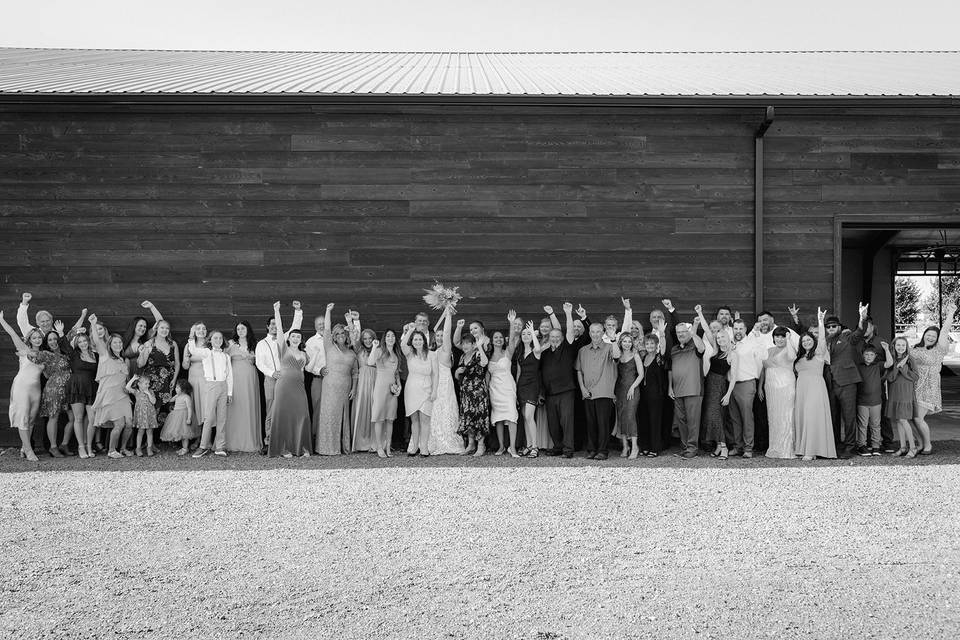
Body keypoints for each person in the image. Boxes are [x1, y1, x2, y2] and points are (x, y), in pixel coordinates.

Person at [911, 302, 957, 455]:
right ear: (924, 335)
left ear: (937, 339)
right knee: (912, 418)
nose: (930, 337)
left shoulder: (939, 350)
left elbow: (944, 332)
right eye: (928, 334)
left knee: (918, 417)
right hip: (915, 386)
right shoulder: (915, 349)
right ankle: (921, 444)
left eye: (933, 336)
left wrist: (950, 313)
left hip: (929, 387)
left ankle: (928, 445)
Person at [267, 302, 312, 458]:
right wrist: (276, 311)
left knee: (301, 414)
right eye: (293, 335)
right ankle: (283, 448)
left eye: (298, 336)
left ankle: (302, 447)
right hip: (284, 386)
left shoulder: (304, 354)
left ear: (301, 339)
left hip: (299, 387)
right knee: (283, 415)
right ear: (289, 338)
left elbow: (303, 371)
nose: (295, 338)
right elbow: (279, 330)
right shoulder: (283, 348)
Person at [824, 302, 869, 459]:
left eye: (833, 326)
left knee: (849, 417)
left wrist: (862, 317)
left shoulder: (847, 337)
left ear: (839, 327)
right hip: (830, 383)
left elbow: (859, 332)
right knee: (833, 416)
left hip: (847, 382)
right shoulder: (824, 341)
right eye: (828, 327)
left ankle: (850, 447)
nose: (831, 329)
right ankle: (835, 446)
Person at [255, 302, 303, 451]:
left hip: (287, 380)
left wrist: (297, 310)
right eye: (272, 324)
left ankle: (285, 440)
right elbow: (259, 363)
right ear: (268, 326)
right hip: (270, 379)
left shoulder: (286, 338)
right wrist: (271, 373)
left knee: (285, 409)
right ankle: (269, 440)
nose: (275, 327)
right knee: (271, 410)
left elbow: (296, 326)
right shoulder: (261, 343)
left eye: (277, 324)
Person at [87, 314, 134, 460]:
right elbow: (96, 339)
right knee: (119, 424)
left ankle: (123, 448)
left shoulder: (122, 360)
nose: (118, 345)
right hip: (110, 395)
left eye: (120, 343)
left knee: (129, 424)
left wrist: (129, 387)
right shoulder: (104, 354)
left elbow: (125, 379)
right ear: (110, 344)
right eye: (115, 343)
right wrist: (93, 324)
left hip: (123, 395)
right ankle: (112, 450)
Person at [314, 303, 359, 455]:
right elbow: (326, 329)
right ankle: (326, 447)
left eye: (342, 334)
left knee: (342, 416)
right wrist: (328, 311)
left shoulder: (352, 353)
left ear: (346, 336)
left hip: (345, 387)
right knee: (329, 414)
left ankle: (342, 446)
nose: (340, 336)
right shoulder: (329, 347)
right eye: (337, 334)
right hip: (330, 386)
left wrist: (354, 388)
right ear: (334, 336)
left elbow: (355, 373)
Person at [0, 310, 44, 461]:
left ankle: (25, 448)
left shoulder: (44, 355)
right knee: (23, 417)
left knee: (31, 419)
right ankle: (29, 450)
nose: (37, 340)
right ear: (29, 339)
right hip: (22, 387)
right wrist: (1, 320)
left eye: (39, 337)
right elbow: (12, 333)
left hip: (36, 389)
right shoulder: (24, 350)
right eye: (34, 338)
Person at [794, 308, 836, 460]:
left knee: (813, 416)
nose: (806, 342)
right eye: (804, 340)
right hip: (802, 389)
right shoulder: (798, 357)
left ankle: (811, 451)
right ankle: (804, 448)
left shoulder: (819, 353)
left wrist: (820, 321)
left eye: (809, 340)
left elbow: (823, 340)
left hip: (815, 388)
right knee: (804, 417)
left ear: (814, 341)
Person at [695, 305, 736, 460]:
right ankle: (718, 445)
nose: (719, 339)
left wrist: (727, 395)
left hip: (720, 386)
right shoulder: (715, 350)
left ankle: (724, 447)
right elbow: (706, 330)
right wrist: (699, 312)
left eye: (722, 337)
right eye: (718, 338)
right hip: (709, 384)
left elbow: (733, 377)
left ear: (727, 338)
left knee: (718, 416)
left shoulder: (732, 355)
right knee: (710, 416)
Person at [576, 321, 621, 460]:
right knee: (591, 423)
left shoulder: (609, 347)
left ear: (603, 333)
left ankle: (602, 450)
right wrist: (582, 388)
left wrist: (613, 339)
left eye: (598, 331)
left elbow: (617, 356)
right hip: (588, 392)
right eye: (593, 332)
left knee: (603, 423)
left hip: (604, 391)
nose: (595, 334)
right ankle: (591, 449)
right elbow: (579, 371)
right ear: (589, 333)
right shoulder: (583, 350)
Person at [539, 302, 578, 458]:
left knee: (566, 422)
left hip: (566, 390)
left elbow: (569, 330)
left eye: (557, 337)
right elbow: (540, 372)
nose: (554, 339)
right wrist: (541, 392)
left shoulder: (566, 348)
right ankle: (557, 446)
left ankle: (568, 449)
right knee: (553, 422)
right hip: (549, 392)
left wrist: (568, 313)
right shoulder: (545, 352)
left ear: (562, 338)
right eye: (552, 337)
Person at [28, 330, 74, 458]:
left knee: (73, 418)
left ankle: (64, 444)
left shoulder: (65, 352)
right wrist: (25, 351)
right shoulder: (45, 354)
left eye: (55, 339)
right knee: (54, 417)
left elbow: (71, 333)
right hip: (54, 389)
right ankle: (53, 447)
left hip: (67, 389)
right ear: (46, 343)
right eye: (50, 340)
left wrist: (83, 316)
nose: (53, 341)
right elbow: (31, 355)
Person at [426, 309, 465, 456]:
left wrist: (448, 315)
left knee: (446, 409)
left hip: (445, 384)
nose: (441, 337)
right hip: (433, 384)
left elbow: (448, 332)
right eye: (438, 335)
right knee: (434, 411)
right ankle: (433, 440)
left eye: (443, 335)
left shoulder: (445, 350)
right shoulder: (432, 351)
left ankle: (448, 440)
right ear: (434, 337)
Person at [191, 330, 234, 458]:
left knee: (222, 417)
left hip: (223, 386)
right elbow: (193, 351)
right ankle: (203, 446)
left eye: (220, 338)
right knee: (208, 417)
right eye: (215, 338)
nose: (218, 340)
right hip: (211, 386)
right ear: (210, 340)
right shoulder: (206, 353)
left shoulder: (226, 356)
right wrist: (190, 338)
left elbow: (229, 375)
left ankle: (220, 446)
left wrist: (230, 393)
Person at [668, 316, 706, 459]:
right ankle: (684, 447)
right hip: (678, 391)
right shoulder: (674, 349)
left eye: (684, 332)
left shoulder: (695, 346)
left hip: (694, 390)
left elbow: (702, 347)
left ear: (688, 332)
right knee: (681, 420)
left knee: (693, 421)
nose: (681, 335)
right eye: (678, 333)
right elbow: (671, 369)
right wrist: (670, 387)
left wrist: (694, 331)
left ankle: (692, 448)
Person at [758, 327, 797, 459]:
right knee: (774, 417)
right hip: (771, 387)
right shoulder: (769, 350)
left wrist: (790, 340)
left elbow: (792, 358)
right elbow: (763, 370)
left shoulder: (790, 349)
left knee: (786, 416)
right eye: (777, 336)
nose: (780, 339)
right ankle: (775, 448)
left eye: (782, 336)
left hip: (786, 386)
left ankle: (788, 449)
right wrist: (760, 386)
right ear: (773, 337)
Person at [224, 321, 262, 453]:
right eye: (238, 329)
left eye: (243, 328)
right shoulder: (230, 343)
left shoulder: (254, 344)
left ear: (248, 329)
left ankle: (249, 440)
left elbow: (259, 361)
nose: (240, 331)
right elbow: (223, 358)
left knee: (248, 405)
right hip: (234, 377)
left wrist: (251, 357)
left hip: (250, 377)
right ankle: (232, 441)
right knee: (235, 406)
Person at [401, 322, 437, 456]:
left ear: (424, 341)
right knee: (414, 420)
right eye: (415, 339)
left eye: (420, 339)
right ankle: (414, 446)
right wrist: (410, 331)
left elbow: (435, 374)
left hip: (427, 388)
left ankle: (424, 447)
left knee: (425, 419)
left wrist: (434, 390)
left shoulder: (432, 355)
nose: (417, 341)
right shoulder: (409, 354)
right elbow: (403, 345)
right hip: (412, 389)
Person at [488, 311, 520, 457]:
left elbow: (512, 339)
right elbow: (487, 374)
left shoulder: (508, 352)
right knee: (498, 418)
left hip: (507, 387)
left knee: (511, 415)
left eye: (501, 337)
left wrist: (511, 323)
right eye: (496, 337)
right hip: (494, 389)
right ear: (492, 340)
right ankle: (501, 446)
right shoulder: (488, 356)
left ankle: (512, 448)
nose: (499, 339)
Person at [137, 319, 180, 424]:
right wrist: (142, 352)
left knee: (166, 409)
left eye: (167, 328)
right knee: (152, 408)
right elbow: (140, 364)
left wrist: (174, 379)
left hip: (168, 380)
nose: (164, 330)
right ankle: (149, 436)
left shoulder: (172, 344)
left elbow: (177, 363)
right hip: (152, 380)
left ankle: (162, 438)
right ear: (156, 329)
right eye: (162, 327)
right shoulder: (150, 343)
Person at [455, 331, 490, 456]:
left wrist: (479, 346)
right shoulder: (462, 357)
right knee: (468, 417)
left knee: (479, 417)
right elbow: (458, 375)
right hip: (466, 392)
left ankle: (481, 445)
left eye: (468, 343)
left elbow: (485, 363)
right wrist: (457, 372)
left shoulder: (478, 354)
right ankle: (470, 444)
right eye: (463, 344)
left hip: (478, 392)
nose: (465, 346)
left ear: (473, 344)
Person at [368, 329, 402, 458]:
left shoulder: (396, 354)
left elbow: (396, 373)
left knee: (390, 419)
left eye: (393, 335)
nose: (390, 338)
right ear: (384, 338)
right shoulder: (379, 350)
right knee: (379, 418)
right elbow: (370, 362)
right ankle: (379, 447)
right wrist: (374, 347)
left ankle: (388, 446)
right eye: (388, 336)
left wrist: (399, 386)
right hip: (381, 387)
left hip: (392, 389)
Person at [66, 329, 98, 459]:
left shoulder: (96, 355)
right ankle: (81, 447)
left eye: (85, 340)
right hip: (76, 387)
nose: (83, 343)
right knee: (78, 418)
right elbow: (64, 342)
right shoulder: (73, 354)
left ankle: (89, 445)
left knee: (93, 419)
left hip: (91, 387)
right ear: (76, 344)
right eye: (80, 341)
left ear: (88, 341)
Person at [855, 344, 893, 456]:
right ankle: (862, 445)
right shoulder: (859, 366)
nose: (869, 357)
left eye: (871, 355)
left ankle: (876, 446)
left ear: (875, 356)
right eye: (866, 354)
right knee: (862, 425)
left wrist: (886, 349)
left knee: (876, 424)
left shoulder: (878, 365)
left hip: (876, 401)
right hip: (862, 402)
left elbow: (890, 363)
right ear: (863, 355)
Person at [886, 337, 920, 457]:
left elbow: (916, 377)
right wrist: (897, 366)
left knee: (903, 420)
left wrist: (903, 368)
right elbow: (889, 378)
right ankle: (903, 447)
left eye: (903, 345)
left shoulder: (910, 359)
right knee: (898, 420)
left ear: (906, 347)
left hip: (905, 392)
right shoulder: (891, 359)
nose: (901, 347)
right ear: (894, 346)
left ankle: (913, 447)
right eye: (898, 345)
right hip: (894, 392)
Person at [638, 322, 668, 457]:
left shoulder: (658, 358)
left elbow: (664, 348)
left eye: (652, 344)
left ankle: (655, 448)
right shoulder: (643, 357)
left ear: (656, 345)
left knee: (655, 421)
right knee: (644, 420)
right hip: (643, 394)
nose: (649, 346)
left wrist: (661, 333)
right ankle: (645, 445)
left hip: (656, 395)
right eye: (647, 344)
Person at [614, 331, 644, 459]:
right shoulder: (618, 357)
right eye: (624, 341)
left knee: (630, 416)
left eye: (629, 341)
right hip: (620, 390)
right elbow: (615, 376)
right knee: (621, 417)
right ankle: (625, 446)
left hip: (632, 389)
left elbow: (641, 374)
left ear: (632, 343)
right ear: (620, 342)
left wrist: (632, 387)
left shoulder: (635, 355)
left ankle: (635, 447)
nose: (627, 344)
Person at [516, 320, 543, 457]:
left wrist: (532, 331)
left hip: (533, 385)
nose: (526, 336)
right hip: (522, 386)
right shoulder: (519, 353)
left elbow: (538, 348)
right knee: (524, 417)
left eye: (528, 334)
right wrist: (515, 388)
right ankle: (528, 445)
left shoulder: (536, 351)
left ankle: (535, 447)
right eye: (524, 334)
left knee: (529, 416)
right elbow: (519, 373)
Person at [350, 322, 377, 452]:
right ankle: (360, 443)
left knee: (374, 410)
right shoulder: (358, 349)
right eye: (365, 338)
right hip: (361, 382)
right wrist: (353, 322)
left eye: (369, 338)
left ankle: (374, 442)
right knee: (361, 408)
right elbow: (353, 337)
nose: (367, 341)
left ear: (373, 339)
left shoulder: (378, 350)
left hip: (375, 381)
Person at [181, 322, 209, 433]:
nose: (201, 331)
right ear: (194, 332)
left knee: (205, 406)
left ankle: (207, 437)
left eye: (203, 328)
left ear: (206, 331)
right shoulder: (189, 346)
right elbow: (185, 366)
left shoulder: (209, 345)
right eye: (198, 329)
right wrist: (186, 360)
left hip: (206, 379)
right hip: (193, 378)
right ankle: (197, 436)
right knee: (194, 405)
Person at [160, 380, 197, 456]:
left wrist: (189, 418)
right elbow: (171, 400)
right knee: (181, 433)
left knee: (185, 434)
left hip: (183, 416)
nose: (175, 389)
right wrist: (173, 393)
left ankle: (185, 448)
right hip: (176, 416)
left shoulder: (186, 397)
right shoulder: (178, 396)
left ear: (183, 389)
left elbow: (189, 408)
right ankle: (184, 448)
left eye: (177, 387)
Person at [125, 374, 158, 456]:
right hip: (141, 415)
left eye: (148, 383)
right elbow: (127, 387)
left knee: (150, 431)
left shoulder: (150, 391)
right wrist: (133, 379)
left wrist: (148, 394)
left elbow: (154, 402)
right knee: (140, 431)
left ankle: (149, 448)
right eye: (146, 383)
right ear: (139, 384)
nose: (148, 385)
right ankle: (138, 448)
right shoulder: (137, 392)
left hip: (149, 414)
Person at [304, 314, 326, 425]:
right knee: (317, 406)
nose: (322, 326)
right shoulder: (310, 342)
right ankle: (316, 436)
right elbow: (308, 365)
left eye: (323, 323)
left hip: (333, 380)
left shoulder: (334, 338)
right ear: (315, 326)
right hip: (318, 379)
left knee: (331, 407)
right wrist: (319, 370)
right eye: (319, 324)